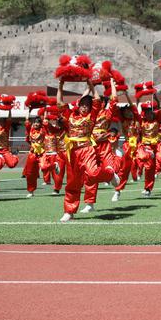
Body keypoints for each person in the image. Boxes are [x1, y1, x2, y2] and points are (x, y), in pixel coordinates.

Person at [57, 79, 121, 222]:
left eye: (88, 105)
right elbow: (60, 103)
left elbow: (97, 99)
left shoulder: (92, 116)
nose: (85, 107)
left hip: (87, 149)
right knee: (73, 182)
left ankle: (109, 175)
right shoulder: (71, 116)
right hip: (73, 153)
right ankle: (69, 212)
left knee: (92, 174)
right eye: (83, 105)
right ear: (78, 106)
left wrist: (90, 83)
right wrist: (61, 85)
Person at [23, 114, 46, 198]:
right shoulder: (30, 129)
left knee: (44, 167)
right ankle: (31, 191)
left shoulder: (43, 130)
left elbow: (45, 123)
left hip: (42, 153)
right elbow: (27, 124)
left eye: (38, 122)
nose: (36, 124)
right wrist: (28, 112)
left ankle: (54, 165)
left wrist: (45, 111)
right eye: (35, 122)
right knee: (30, 173)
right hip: (32, 154)